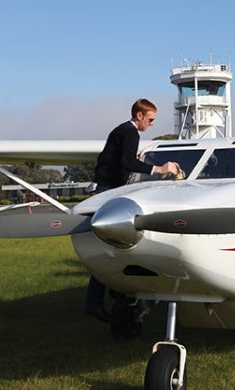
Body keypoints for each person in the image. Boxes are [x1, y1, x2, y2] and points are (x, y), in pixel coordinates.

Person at [84, 98, 180, 322]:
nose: (152, 124)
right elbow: (127, 163)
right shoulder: (130, 132)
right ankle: (100, 300)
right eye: (150, 119)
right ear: (139, 116)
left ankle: (110, 297)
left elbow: (116, 159)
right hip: (107, 190)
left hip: (106, 188)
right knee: (113, 246)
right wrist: (159, 168)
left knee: (113, 247)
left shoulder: (122, 130)